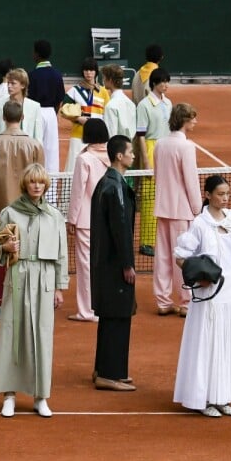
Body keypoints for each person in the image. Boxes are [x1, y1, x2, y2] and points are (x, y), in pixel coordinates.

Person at [0, 163, 68, 417]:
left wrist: (59, 287)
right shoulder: (10, 213)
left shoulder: (55, 216)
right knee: (13, 333)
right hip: (18, 277)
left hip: (44, 279)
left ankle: (40, 396)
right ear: (26, 184)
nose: (37, 186)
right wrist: (6, 250)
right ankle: (9, 395)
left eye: (41, 182)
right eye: (33, 182)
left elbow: (61, 255)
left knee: (42, 336)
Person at [172, 174, 231, 417]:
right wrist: (198, 275)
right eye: (220, 194)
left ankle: (222, 397)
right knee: (209, 343)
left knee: (227, 344)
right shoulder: (199, 224)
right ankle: (204, 398)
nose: (225, 198)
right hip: (209, 294)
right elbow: (180, 256)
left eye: (227, 194)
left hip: (230, 292)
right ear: (208, 195)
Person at [0, 100, 45, 318]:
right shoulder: (35, 145)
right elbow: (40, 178)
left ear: (3, 118)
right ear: (22, 118)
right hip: (29, 209)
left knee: (1, 254)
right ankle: (25, 300)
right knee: (28, 254)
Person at [91, 135, 138, 391]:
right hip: (114, 265)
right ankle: (110, 374)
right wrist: (127, 264)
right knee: (118, 316)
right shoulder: (115, 187)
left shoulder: (108, 182)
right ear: (119, 156)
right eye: (130, 151)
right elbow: (120, 228)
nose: (133, 155)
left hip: (105, 264)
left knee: (111, 317)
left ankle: (105, 368)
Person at [153, 102, 202, 317]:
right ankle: (185, 302)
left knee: (163, 257)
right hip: (182, 211)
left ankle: (163, 301)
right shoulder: (187, 147)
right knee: (184, 257)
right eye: (192, 118)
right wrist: (197, 208)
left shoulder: (159, 145)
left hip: (162, 208)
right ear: (184, 120)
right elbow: (191, 181)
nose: (195, 122)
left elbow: (158, 174)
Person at [66, 119, 111, 323]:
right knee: (103, 264)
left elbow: (78, 192)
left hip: (86, 219)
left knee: (86, 266)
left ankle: (86, 311)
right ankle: (103, 305)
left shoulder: (84, 159)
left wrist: (71, 219)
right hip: (106, 219)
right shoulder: (112, 155)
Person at [135, 67, 171, 256]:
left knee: (164, 196)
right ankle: (146, 242)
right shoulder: (144, 105)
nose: (165, 85)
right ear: (154, 84)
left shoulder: (169, 103)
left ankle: (160, 238)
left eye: (167, 81)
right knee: (149, 198)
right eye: (162, 82)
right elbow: (140, 135)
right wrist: (146, 162)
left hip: (166, 149)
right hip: (150, 148)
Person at [62, 57, 109, 176]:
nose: (89, 73)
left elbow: (107, 114)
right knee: (74, 169)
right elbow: (64, 111)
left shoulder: (103, 92)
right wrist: (78, 119)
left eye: (92, 70)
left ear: (96, 72)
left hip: (97, 139)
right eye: (86, 70)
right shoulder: (74, 90)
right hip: (78, 135)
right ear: (83, 72)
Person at [27, 39, 65, 176]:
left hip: (35, 113)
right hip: (51, 113)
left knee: (35, 150)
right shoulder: (57, 74)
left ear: (36, 54)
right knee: (52, 151)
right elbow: (60, 99)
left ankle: (34, 181)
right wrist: (53, 113)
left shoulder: (31, 75)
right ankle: (52, 192)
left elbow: (28, 99)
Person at [0, 67, 42, 142]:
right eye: (8, 83)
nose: (9, 86)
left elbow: (38, 138)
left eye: (13, 83)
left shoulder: (35, 107)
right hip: (4, 150)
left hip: (27, 151)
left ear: (23, 85)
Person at [100, 65, 136, 144]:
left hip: (117, 149)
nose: (103, 80)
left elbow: (111, 134)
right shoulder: (131, 103)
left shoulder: (110, 106)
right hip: (130, 148)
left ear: (110, 80)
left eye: (104, 77)